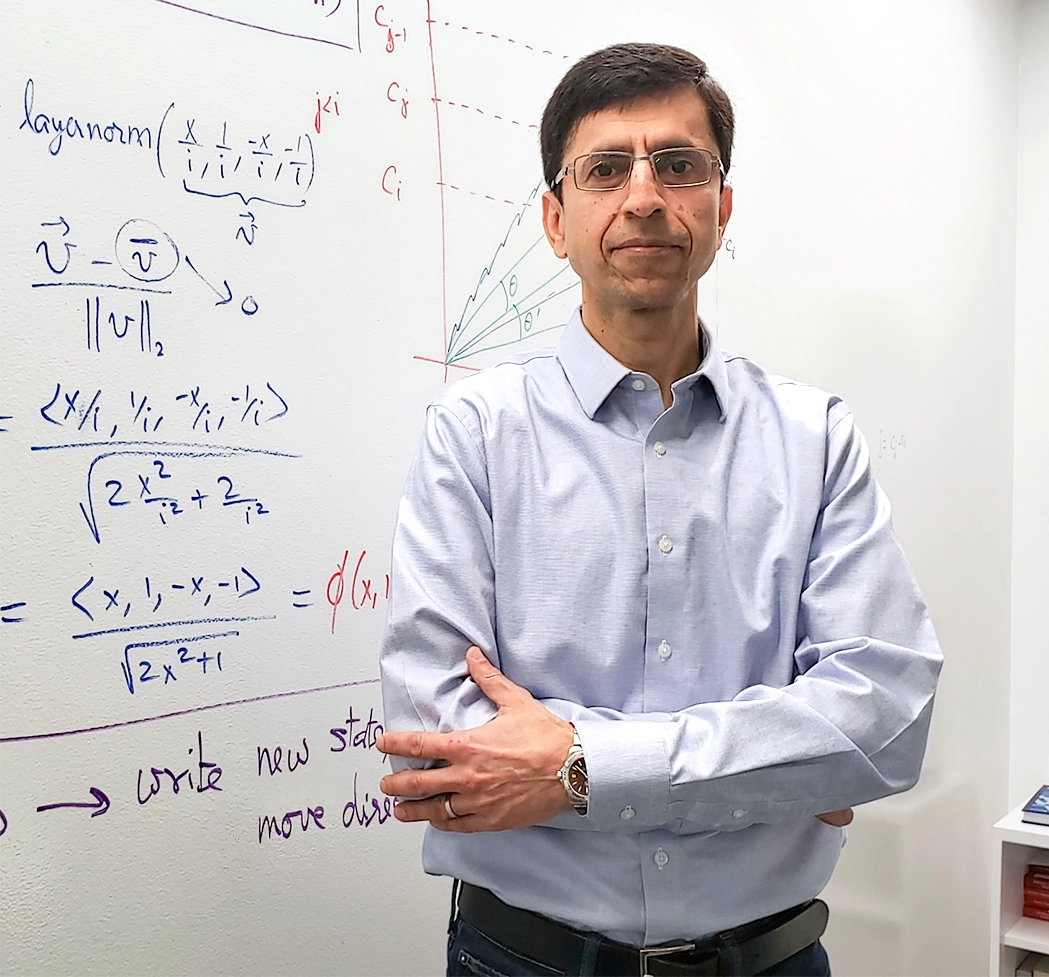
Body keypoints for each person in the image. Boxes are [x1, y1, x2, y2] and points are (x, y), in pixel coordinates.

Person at [376, 42, 943, 977]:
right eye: (606, 169)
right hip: (525, 960)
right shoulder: (472, 432)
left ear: (721, 208)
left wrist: (574, 765)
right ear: (557, 221)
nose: (645, 197)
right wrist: (777, 765)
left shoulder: (815, 436)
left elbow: (880, 719)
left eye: (680, 165)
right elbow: (440, 737)